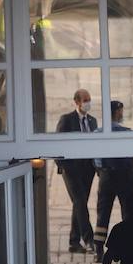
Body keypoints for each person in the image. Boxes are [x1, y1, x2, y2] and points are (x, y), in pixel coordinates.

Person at [93, 99, 133, 261]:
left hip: (106, 176)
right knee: (128, 212)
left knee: (103, 213)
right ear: (117, 112)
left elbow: (96, 158)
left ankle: (98, 249)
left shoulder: (98, 133)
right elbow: (131, 156)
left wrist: (102, 172)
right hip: (124, 176)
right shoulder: (127, 132)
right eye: (121, 111)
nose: (122, 114)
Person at [55, 88, 99, 254]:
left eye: (89, 99)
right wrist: (62, 165)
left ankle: (74, 242)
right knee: (80, 201)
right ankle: (89, 239)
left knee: (79, 204)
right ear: (77, 102)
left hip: (88, 169)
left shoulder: (92, 121)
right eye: (85, 100)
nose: (88, 103)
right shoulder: (67, 120)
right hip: (71, 170)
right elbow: (58, 143)